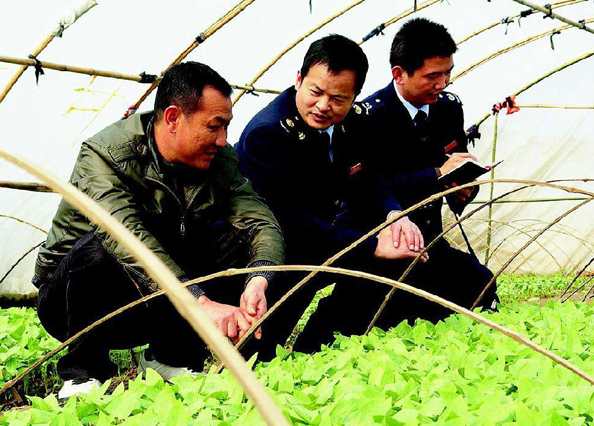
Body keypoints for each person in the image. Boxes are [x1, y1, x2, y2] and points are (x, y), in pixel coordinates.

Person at [33, 62, 285, 398]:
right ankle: (83, 371)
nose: (223, 140)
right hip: (68, 302)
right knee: (106, 243)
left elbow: (259, 221)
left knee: (230, 241)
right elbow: (126, 236)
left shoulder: (219, 161)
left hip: (153, 300)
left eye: (226, 126)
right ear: (173, 118)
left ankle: (170, 357)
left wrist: (258, 280)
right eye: (214, 126)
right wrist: (199, 303)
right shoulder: (104, 155)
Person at [235, 34, 427, 356]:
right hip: (274, 256)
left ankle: (320, 349)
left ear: (354, 96)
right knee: (259, 349)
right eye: (316, 92)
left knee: (383, 268)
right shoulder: (267, 135)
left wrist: (393, 214)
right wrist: (372, 245)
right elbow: (291, 223)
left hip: (319, 243)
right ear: (299, 79)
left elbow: (369, 177)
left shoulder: (354, 123)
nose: (324, 106)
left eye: (338, 98)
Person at [358, 18, 498, 325]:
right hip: (385, 243)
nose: (443, 83)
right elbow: (370, 188)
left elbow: (455, 164)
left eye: (448, 73)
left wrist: (462, 190)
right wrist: (435, 175)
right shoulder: (370, 117)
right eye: (433, 76)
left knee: (480, 284)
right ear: (399, 74)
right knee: (386, 314)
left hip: (430, 240)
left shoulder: (448, 108)